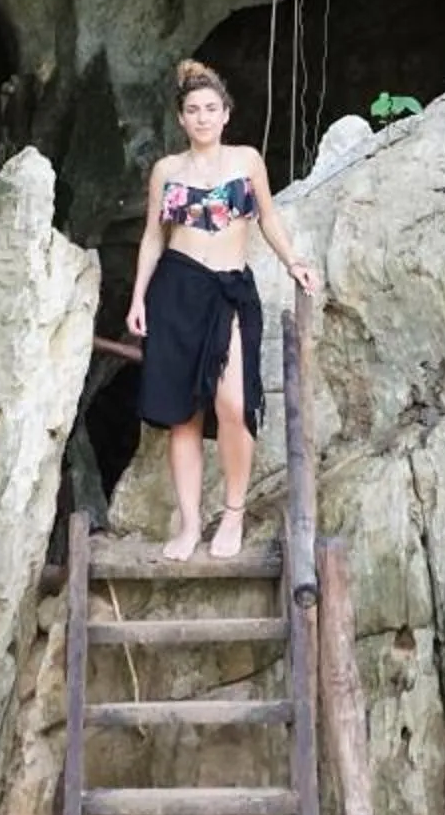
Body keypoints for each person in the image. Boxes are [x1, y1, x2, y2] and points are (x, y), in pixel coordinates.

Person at [127, 59, 319, 561]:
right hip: (176, 288)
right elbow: (153, 237)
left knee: (233, 403)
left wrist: (294, 261)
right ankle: (190, 525)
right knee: (183, 415)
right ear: (181, 119)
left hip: (231, 289)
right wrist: (138, 298)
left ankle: (232, 514)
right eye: (193, 110)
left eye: (211, 108)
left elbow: (269, 219)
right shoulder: (166, 171)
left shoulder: (247, 161)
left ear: (226, 114)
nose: (203, 117)